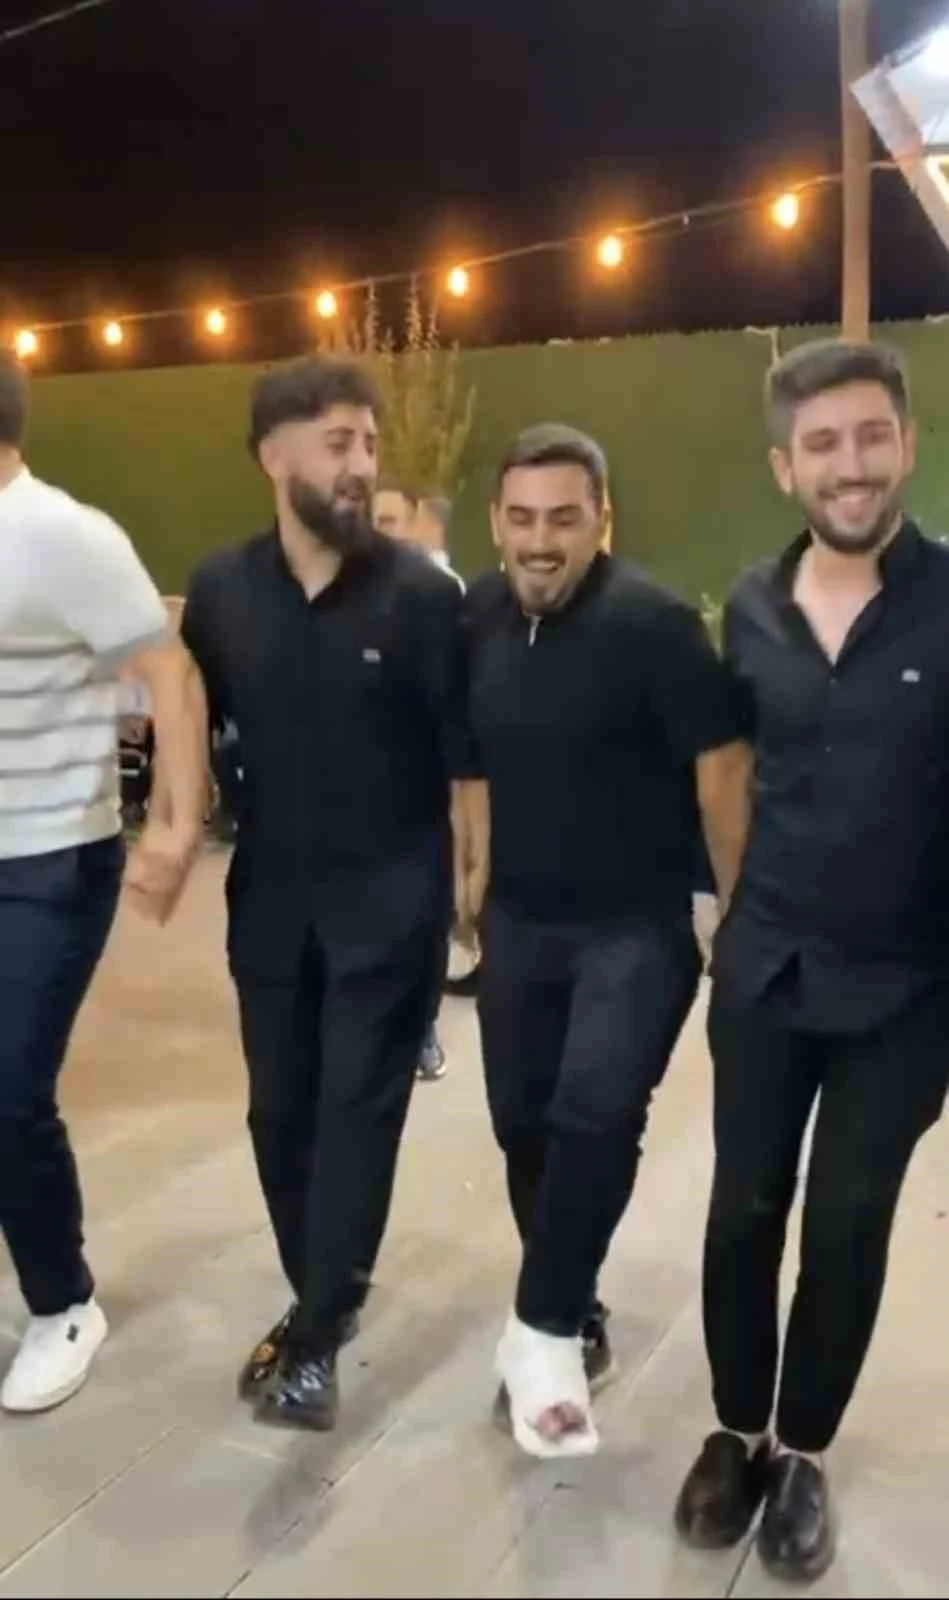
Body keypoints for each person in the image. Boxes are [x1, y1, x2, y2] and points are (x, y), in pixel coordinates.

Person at [674, 339, 949, 1582]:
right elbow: (731, 774)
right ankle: (736, 1429)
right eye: (822, 443)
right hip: (769, 972)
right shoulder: (750, 605)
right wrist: (737, 913)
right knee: (742, 1208)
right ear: (785, 466)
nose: (851, 464)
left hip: (909, 987)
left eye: (870, 435)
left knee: (844, 1223)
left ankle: (802, 1447)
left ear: (907, 442)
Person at [181, 355, 484, 1433]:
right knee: (279, 1112)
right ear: (273, 456)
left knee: (357, 1112)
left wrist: (472, 882)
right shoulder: (221, 590)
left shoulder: (423, 597)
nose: (361, 464)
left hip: (392, 901)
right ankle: (321, 1292)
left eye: (369, 443)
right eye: (337, 443)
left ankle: (315, 1333)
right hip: (267, 900)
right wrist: (172, 825)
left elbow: (466, 759)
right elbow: (188, 708)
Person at [465, 424, 751, 1458]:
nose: (541, 540)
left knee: (594, 1113)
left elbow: (722, 772)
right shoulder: (477, 617)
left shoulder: (655, 625)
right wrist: (468, 865)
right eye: (522, 518)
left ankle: (540, 1332)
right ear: (496, 523)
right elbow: (467, 754)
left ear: (602, 521)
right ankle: (572, 1304)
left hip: (636, 923)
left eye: (564, 518)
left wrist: (736, 913)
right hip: (519, 918)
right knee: (522, 1124)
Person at [0, 351, 207, 1415]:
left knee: (8, 1093)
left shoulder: (65, 537)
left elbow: (170, 672)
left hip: (47, 859)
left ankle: (64, 1303)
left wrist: (176, 819)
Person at [372, 484, 464, 1082]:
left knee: (423, 921)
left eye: (388, 520)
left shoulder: (439, 593)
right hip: (358, 796)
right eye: (371, 519)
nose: (376, 530)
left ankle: (422, 1029)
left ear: (414, 526)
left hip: (424, 793)